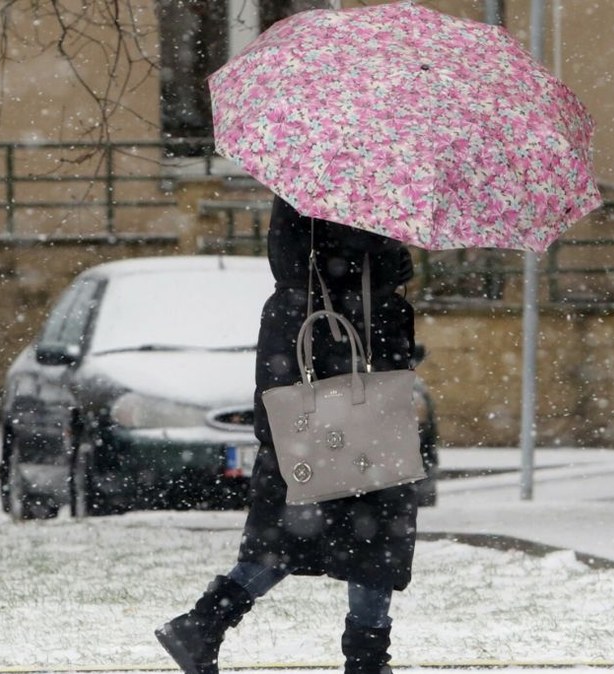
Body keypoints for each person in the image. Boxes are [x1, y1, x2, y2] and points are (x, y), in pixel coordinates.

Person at [156, 197, 419, 674]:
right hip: (341, 379)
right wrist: (385, 264)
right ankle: (365, 658)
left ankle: (204, 625)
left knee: (304, 525)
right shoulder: (341, 199)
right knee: (370, 521)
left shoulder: (318, 190)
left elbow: (316, 267)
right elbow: (338, 273)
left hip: (324, 381)